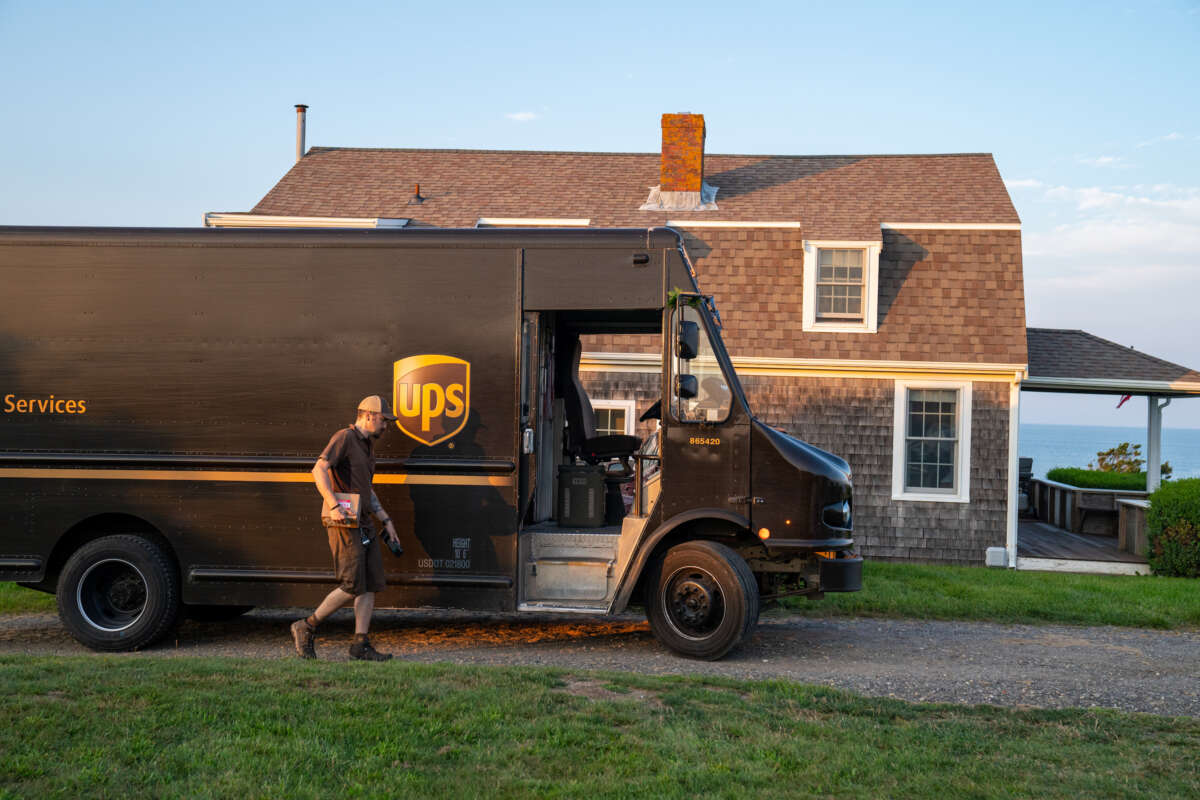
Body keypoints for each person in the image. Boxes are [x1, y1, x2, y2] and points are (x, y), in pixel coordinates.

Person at [290, 395, 403, 661]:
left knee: (369, 583)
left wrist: (386, 520)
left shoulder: (366, 446)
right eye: (383, 419)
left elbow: (367, 490)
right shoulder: (344, 438)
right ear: (368, 415)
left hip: (363, 523)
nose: (386, 425)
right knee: (352, 583)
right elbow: (318, 469)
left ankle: (360, 644)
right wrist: (332, 505)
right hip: (344, 522)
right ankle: (306, 625)